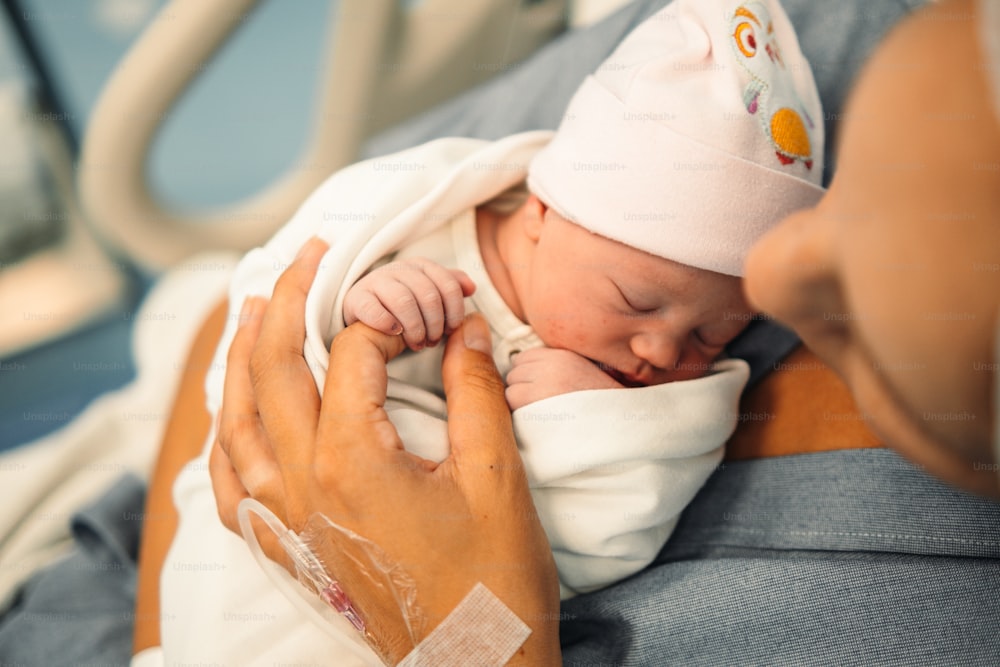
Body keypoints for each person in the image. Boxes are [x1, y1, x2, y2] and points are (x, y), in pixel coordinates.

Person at [208, 0, 1000, 664]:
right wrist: (357, 304)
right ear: (544, 214)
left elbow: (611, 524)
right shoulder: (461, 204)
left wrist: (582, 421)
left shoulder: (684, 404)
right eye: (634, 299)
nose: (665, 355)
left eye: (714, 335)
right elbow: (280, 289)